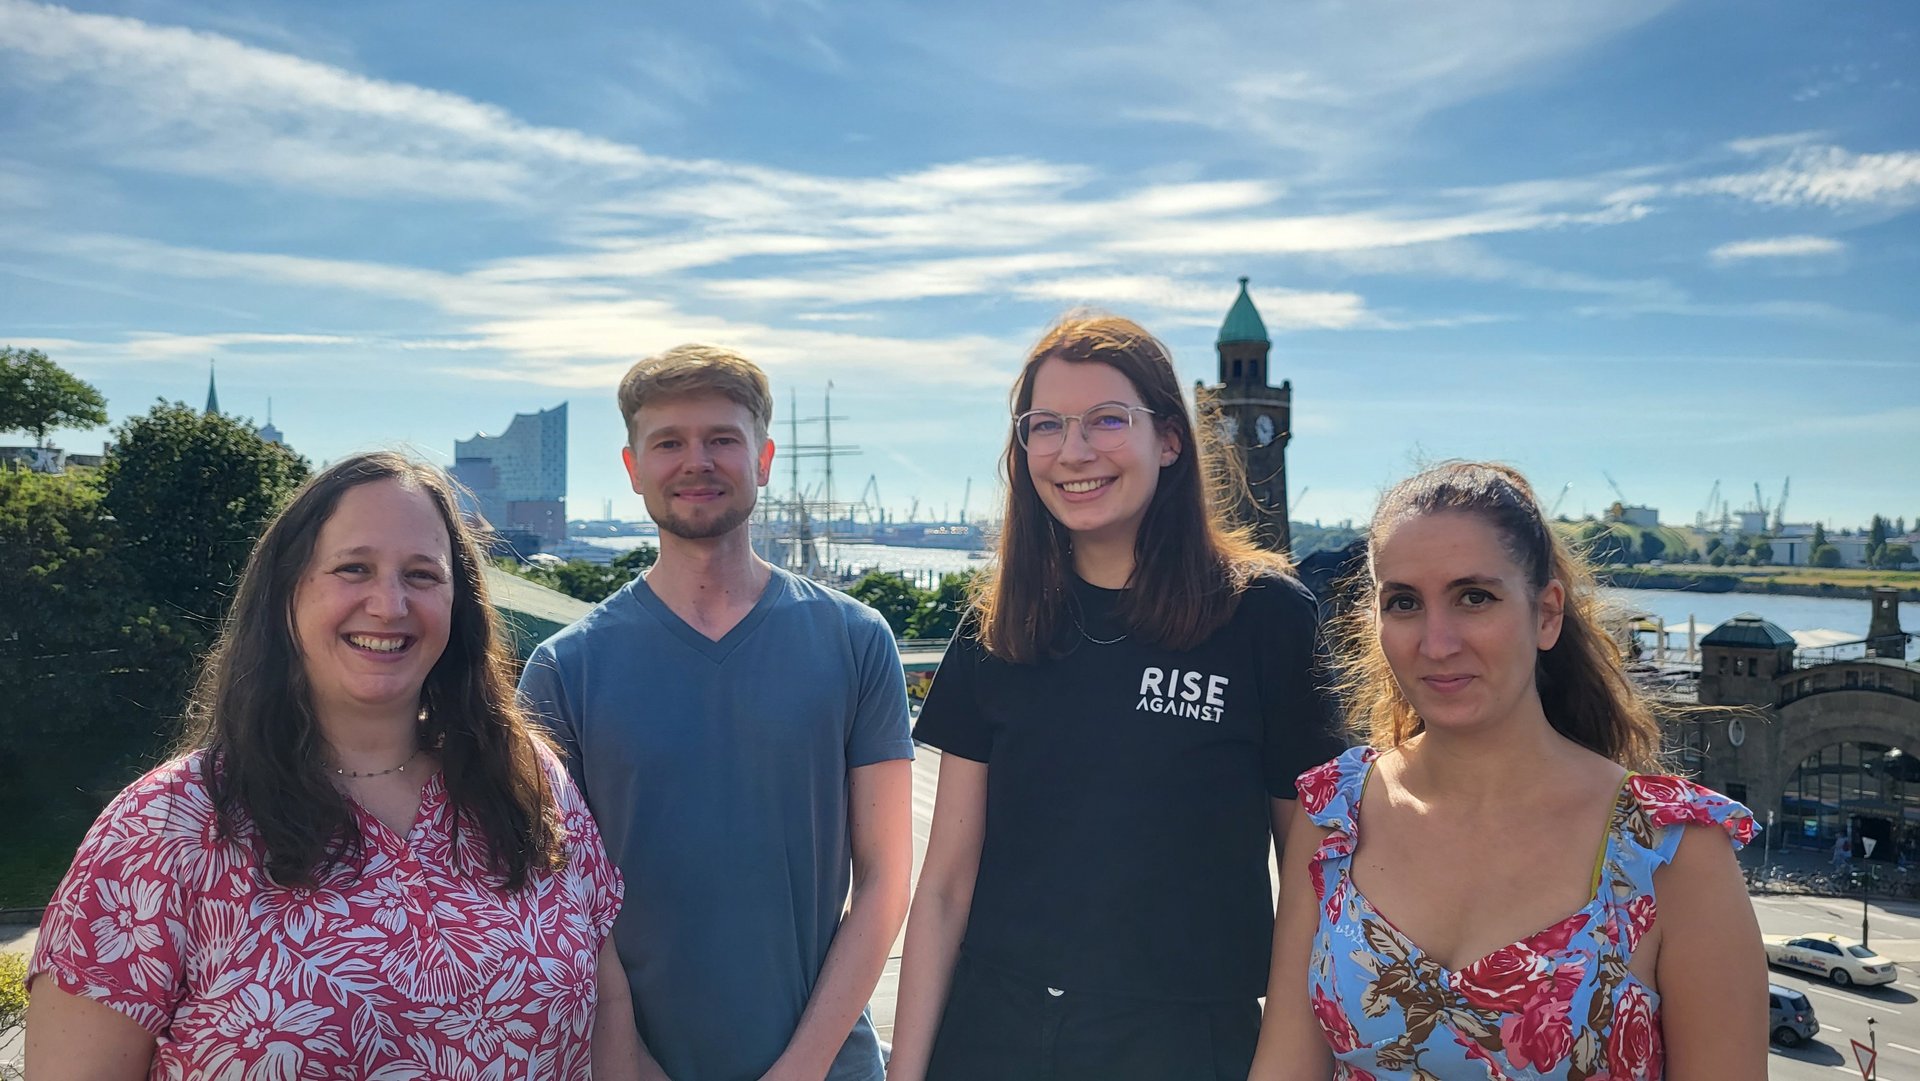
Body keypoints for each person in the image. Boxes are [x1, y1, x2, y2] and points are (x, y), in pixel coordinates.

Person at [25, 451, 639, 1080]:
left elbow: (607, 1000)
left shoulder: (525, 782)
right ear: (287, 593)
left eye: (423, 575)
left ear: (460, 605)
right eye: (354, 568)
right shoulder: (164, 828)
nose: (389, 603)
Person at [889, 313, 1342, 1081]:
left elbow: (1313, 878)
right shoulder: (999, 624)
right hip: (989, 1038)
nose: (1073, 450)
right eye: (1046, 424)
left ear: (1169, 439)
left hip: (1185, 1044)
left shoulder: (1265, 617)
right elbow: (944, 886)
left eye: (1106, 419)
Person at [1253, 461, 1766, 1081]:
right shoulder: (1333, 815)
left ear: (1547, 614)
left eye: (1475, 597)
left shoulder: (1671, 849)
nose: (1437, 643)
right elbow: (1284, 1064)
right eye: (1405, 603)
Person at [518, 344, 914, 1081]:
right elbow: (556, 905)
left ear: (762, 458)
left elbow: (886, 880)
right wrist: (634, 1064)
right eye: (668, 442)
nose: (696, 460)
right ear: (634, 468)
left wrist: (800, 1069)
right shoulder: (564, 670)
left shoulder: (857, 641)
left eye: (721, 439)